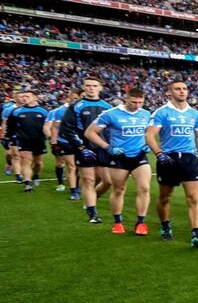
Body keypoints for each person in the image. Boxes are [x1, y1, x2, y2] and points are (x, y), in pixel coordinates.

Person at [146, 80, 198, 247]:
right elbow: (150, 135)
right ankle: (165, 225)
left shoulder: (194, 114)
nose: (182, 91)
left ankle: (196, 234)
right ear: (169, 92)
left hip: (189, 159)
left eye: (184, 89)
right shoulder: (162, 112)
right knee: (165, 197)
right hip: (169, 158)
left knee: (194, 198)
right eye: (177, 89)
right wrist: (159, 154)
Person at [85, 88, 152, 235]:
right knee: (119, 189)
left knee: (144, 188)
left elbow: (148, 132)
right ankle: (118, 222)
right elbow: (90, 132)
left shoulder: (145, 114)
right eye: (134, 102)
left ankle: (141, 223)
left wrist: (147, 143)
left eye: (140, 102)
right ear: (126, 99)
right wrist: (107, 147)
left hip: (139, 156)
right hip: (119, 158)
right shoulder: (111, 114)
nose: (137, 105)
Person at [60, 75, 113, 223]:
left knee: (108, 181)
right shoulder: (76, 106)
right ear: (84, 87)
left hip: (103, 148)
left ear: (100, 88)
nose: (91, 88)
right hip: (84, 148)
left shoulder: (107, 107)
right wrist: (81, 147)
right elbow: (67, 129)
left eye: (94, 86)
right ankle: (92, 214)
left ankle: (91, 199)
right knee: (88, 180)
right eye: (88, 86)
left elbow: (112, 129)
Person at [6, 88, 49, 192]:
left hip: (39, 140)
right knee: (26, 161)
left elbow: (48, 126)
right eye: (23, 96)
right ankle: (28, 183)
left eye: (27, 96)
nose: (24, 98)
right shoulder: (16, 111)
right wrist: (8, 138)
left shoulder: (43, 111)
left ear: (35, 98)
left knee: (38, 163)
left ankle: (36, 175)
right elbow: (11, 127)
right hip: (23, 139)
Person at [45, 88, 79, 195]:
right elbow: (51, 127)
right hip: (64, 141)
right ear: (69, 98)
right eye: (74, 98)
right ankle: (64, 184)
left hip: (80, 142)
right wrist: (53, 141)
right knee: (64, 163)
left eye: (78, 98)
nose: (76, 100)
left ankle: (75, 185)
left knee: (77, 165)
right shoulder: (58, 111)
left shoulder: (84, 109)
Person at [2, 91, 27, 182]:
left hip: (24, 135)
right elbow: (4, 123)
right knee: (10, 154)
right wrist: (4, 135)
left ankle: (19, 174)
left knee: (20, 155)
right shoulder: (8, 109)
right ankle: (9, 164)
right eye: (20, 97)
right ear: (15, 98)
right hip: (11, 134)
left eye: (24, 96)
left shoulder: (27, 109)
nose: (23, 98)